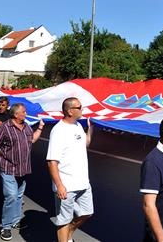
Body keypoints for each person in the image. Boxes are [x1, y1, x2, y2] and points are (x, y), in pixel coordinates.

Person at [0, 103, 44, 241]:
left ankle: (15, 220)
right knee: (11, 196)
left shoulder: (27, 127)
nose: (26, 113)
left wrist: (40, 127)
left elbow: (32, 139)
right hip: (8, 169)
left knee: (18, 196)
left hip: (22, 170)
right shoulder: (5, 128)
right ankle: (5, 226)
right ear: (16, 114)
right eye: (24, 111)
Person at [47, 97, 94, 242]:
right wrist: (59, 185)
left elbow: (85, 143)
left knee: (87, 213)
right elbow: (51, 161)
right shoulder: (58, 131)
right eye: (79, 107)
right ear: (69, 111)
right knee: (63, 221)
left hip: (83, 183)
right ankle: (65, 236)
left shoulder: (78, 126)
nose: (82, 109)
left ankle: (68, 235)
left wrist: (90, 130)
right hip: (66, 186)